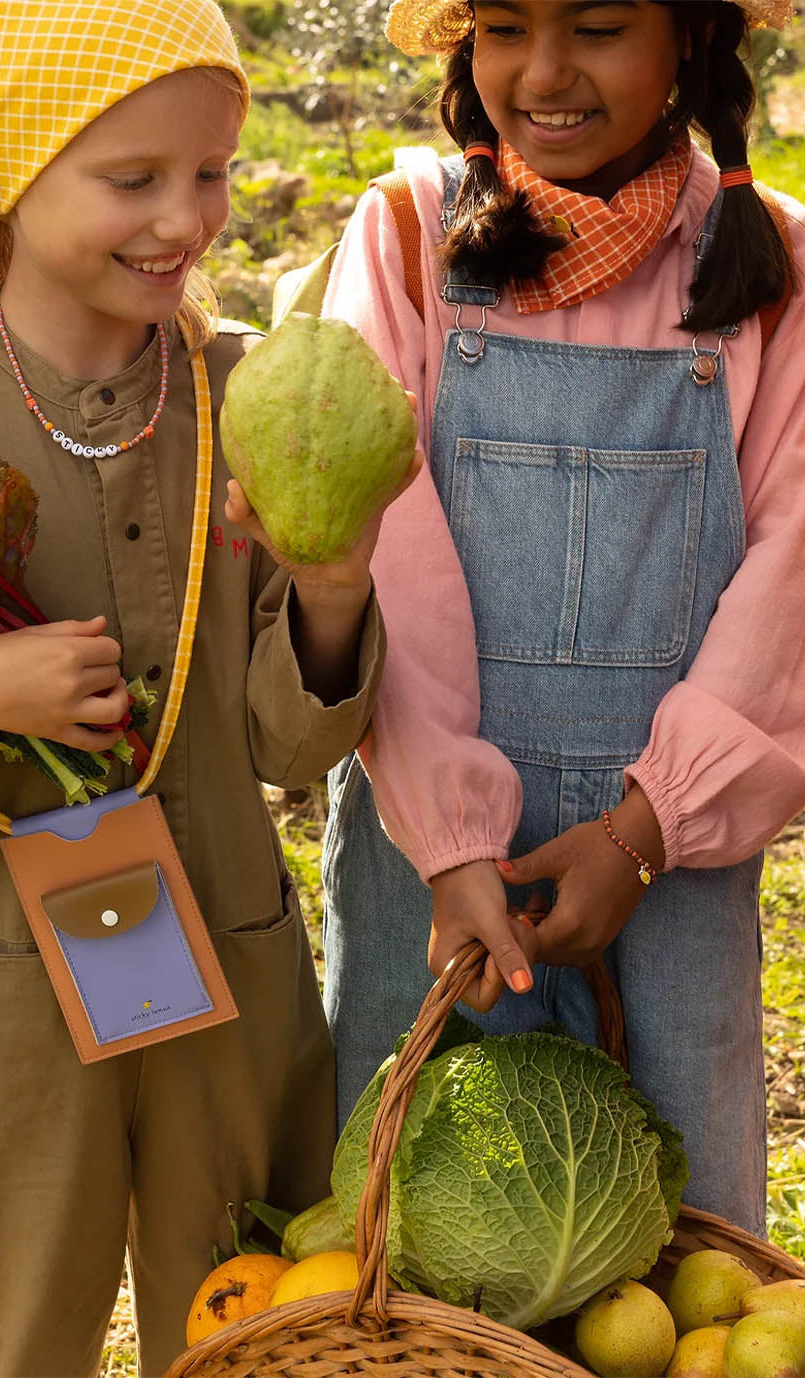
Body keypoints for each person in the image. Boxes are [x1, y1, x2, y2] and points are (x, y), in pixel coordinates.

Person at [0, 3, 407, 1374]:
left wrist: (328, 584)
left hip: (229, 959)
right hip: (12, 985)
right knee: (2, 1315)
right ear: (11, 177)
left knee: (259, 1302)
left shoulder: (240, 402)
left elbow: (283, 738)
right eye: (131, 179)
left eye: (207, 172)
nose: (185, 218)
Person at [320, 0, 805, 1240]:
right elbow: (381, 542)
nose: (543, 73)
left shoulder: (775, 270)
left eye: (596, 27)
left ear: (689, 39)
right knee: (418, 1229)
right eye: (502, 27)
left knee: (679, 1242)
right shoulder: (404, 238)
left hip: (671, 857)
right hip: (421, 849)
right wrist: (448, 834)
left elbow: (792, 578)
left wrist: (645, 830)